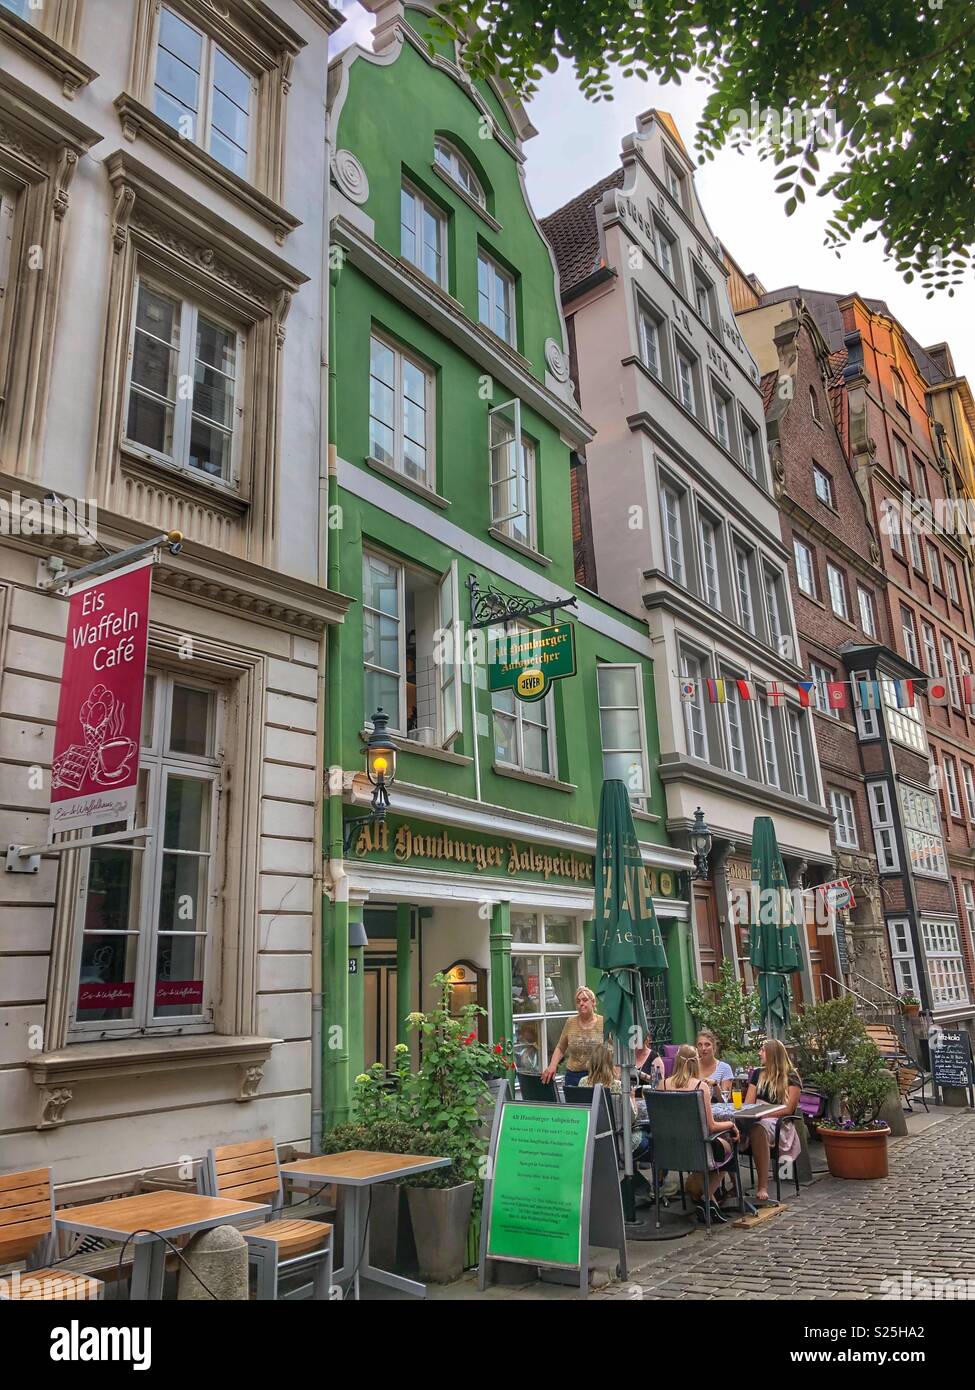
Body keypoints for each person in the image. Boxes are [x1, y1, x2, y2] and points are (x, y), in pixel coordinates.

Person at [663, 1044, 739, 1219]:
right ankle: (706, 1197)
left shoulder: (663, 1084)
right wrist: (730, 1125)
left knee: (714, 1150)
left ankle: (709, 1201)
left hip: (671, 1148)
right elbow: (711, 1126)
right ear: (695, 1062)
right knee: (730, 1147)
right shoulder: (700, 1086)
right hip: (698, 1147)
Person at [741, 1038, 802, 1205]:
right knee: (730, 1129)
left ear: (773, 1054)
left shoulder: (791, 1076)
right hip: (756, 1116)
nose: (759, 1053)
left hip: (778, 1121)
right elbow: (748, 1103)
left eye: (762, 1050)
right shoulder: (757, 1074)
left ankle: (762, 1186)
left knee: (758, 1128)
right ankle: (731, 1185)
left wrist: (765, 1113)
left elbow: (788, 1109)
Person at [581, 1043, 650, 1162]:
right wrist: (632, 1097)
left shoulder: (582, 1083)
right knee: (647, 1136)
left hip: (591, 1140)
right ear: (610, 1062)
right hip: (618, 1141)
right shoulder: (618, 1085)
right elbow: (630, 1118)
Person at [541, 986, 604, 1086]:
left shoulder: (602, 1022)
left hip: (597, 1075)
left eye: (585, 1000)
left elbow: (611, 1050)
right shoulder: (570, 1022)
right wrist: (552, 1066)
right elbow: (560, 1047)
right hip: (574, 1076)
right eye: (578, 1001)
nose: (581, 1003)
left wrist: (615, 1072)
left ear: (593, 1002)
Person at [696, 1028, 734, 1099]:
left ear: (714, 1047)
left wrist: (715, 1085)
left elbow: (725, 1100)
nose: (703, 1048)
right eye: (700, 1045)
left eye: (707, 1045)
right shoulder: (692, 1065)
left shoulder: (724, 1068)